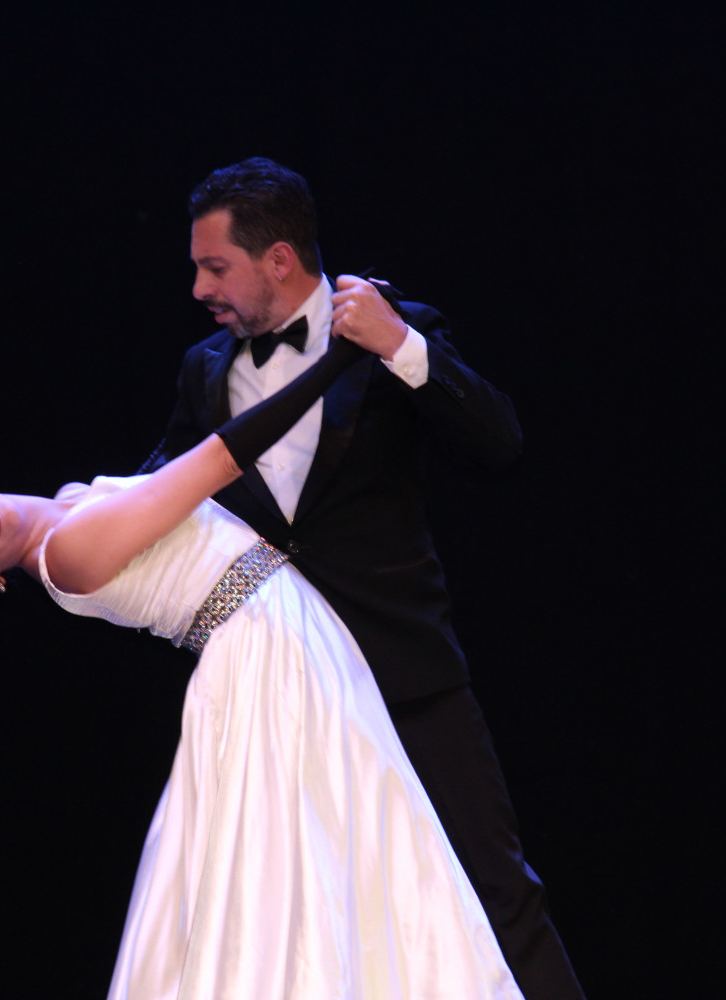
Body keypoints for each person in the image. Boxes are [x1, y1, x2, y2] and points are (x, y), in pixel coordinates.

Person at [0, 335, 523, 999]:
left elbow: (178, 468)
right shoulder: (67, 552)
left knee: (348, 854)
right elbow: (219, 460)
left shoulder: (71, 503)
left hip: (280, 633)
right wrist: (341, 356)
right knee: (314, 873)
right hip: (267, 653)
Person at [139, 158, 585, 999]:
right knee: (307, 917)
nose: (199, 287)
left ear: (278, 259)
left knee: (496, 892)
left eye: (215, 266)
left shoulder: (395, 327)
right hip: (281, 695)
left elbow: (499, 446)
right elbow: (152, 493)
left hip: (403, 673)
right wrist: (37, 522)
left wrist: (401, 347)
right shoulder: (204, 368)